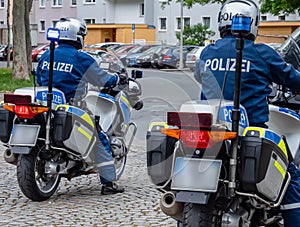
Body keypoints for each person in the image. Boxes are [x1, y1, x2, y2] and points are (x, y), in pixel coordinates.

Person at [194, 0, 300, 226]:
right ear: (253, 23)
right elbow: (293, 79)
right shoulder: (262, 53)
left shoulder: (206, 52)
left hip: (211, 131)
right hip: (251, 132)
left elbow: (199, 77)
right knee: (291, 176)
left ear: (221, 21)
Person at [36, 17, 125, 195]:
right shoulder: (81, 58)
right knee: (100, 140)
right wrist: (118, 78)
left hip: (46, 105)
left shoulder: (47, 54)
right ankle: (108, 184)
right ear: (76, 36)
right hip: (72, 106)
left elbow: (39, 78)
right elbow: (102, 80)